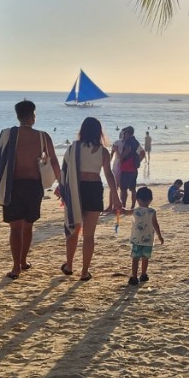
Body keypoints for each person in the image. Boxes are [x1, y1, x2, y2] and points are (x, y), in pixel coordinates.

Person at [0, 99, 61, 280]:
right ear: (32, 116)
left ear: (18, 116)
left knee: (15, 227)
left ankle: (16, 268)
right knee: (28, 225)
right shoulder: (43, 136)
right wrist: (61, 182)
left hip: (13, 185)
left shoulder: (7, 134)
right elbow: (53, 160)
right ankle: (22, 261)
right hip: (33, 185)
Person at [59, 116, 116, 282]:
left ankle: (69, 265)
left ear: (82, 131)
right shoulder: (103, 152)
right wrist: (116, 197)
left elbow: (65, 171)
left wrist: (62, 189)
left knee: (73, 230)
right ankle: (84, 272)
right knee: (89, 235)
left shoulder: (72, 148)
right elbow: (109, 175)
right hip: (94, 190)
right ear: (99, 132)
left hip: (76, 189)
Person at [127, 186, 164, 286]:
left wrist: (118, 210)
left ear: (137, 199)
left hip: (137, 239)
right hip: (148, 240)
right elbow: (156, 225)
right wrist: (160, 236)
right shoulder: (152, 211)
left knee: (135, 258)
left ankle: (134, 277)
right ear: (150, 200)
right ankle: (143, 274)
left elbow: (125, 212)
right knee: (145, 258)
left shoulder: (135, 210)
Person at [114, 127, 144, 211]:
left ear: (127, 133)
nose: (123, 134)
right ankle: (133, 206)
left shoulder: (127, 141)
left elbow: (127, 149)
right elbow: (143, 153)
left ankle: (123, 206)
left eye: (124, 133)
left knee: (123, 189)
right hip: (134, 169)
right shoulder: (135, 141)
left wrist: (121, 157)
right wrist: (138, 162)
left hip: (126, 168)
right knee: (133, 189)